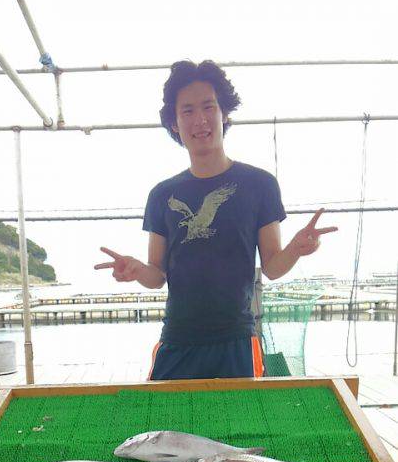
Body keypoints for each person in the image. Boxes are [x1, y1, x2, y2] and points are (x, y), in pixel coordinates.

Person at [95, 60, 337, 380]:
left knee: (238, 430)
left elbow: (273, 267)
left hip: (236, 340)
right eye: (188, 111)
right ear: (175, 125)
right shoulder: (162, 194)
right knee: (164, 430)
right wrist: (136, 269)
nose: (200, 120)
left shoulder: (260, 184)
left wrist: (295, 247)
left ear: (224, 115)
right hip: (178, 340)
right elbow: (157, 276)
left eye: (209, 107)